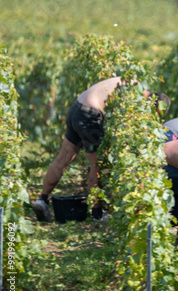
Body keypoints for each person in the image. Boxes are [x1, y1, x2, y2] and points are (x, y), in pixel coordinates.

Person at [33, 77, 170, 222]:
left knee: (64, 158)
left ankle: (42, 200)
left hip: (78, 108)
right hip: (90, 114)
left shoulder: (133, 82)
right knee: (97, 165)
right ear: (152, 102)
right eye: (152, 113)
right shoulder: (135, 95)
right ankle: (97, 213)